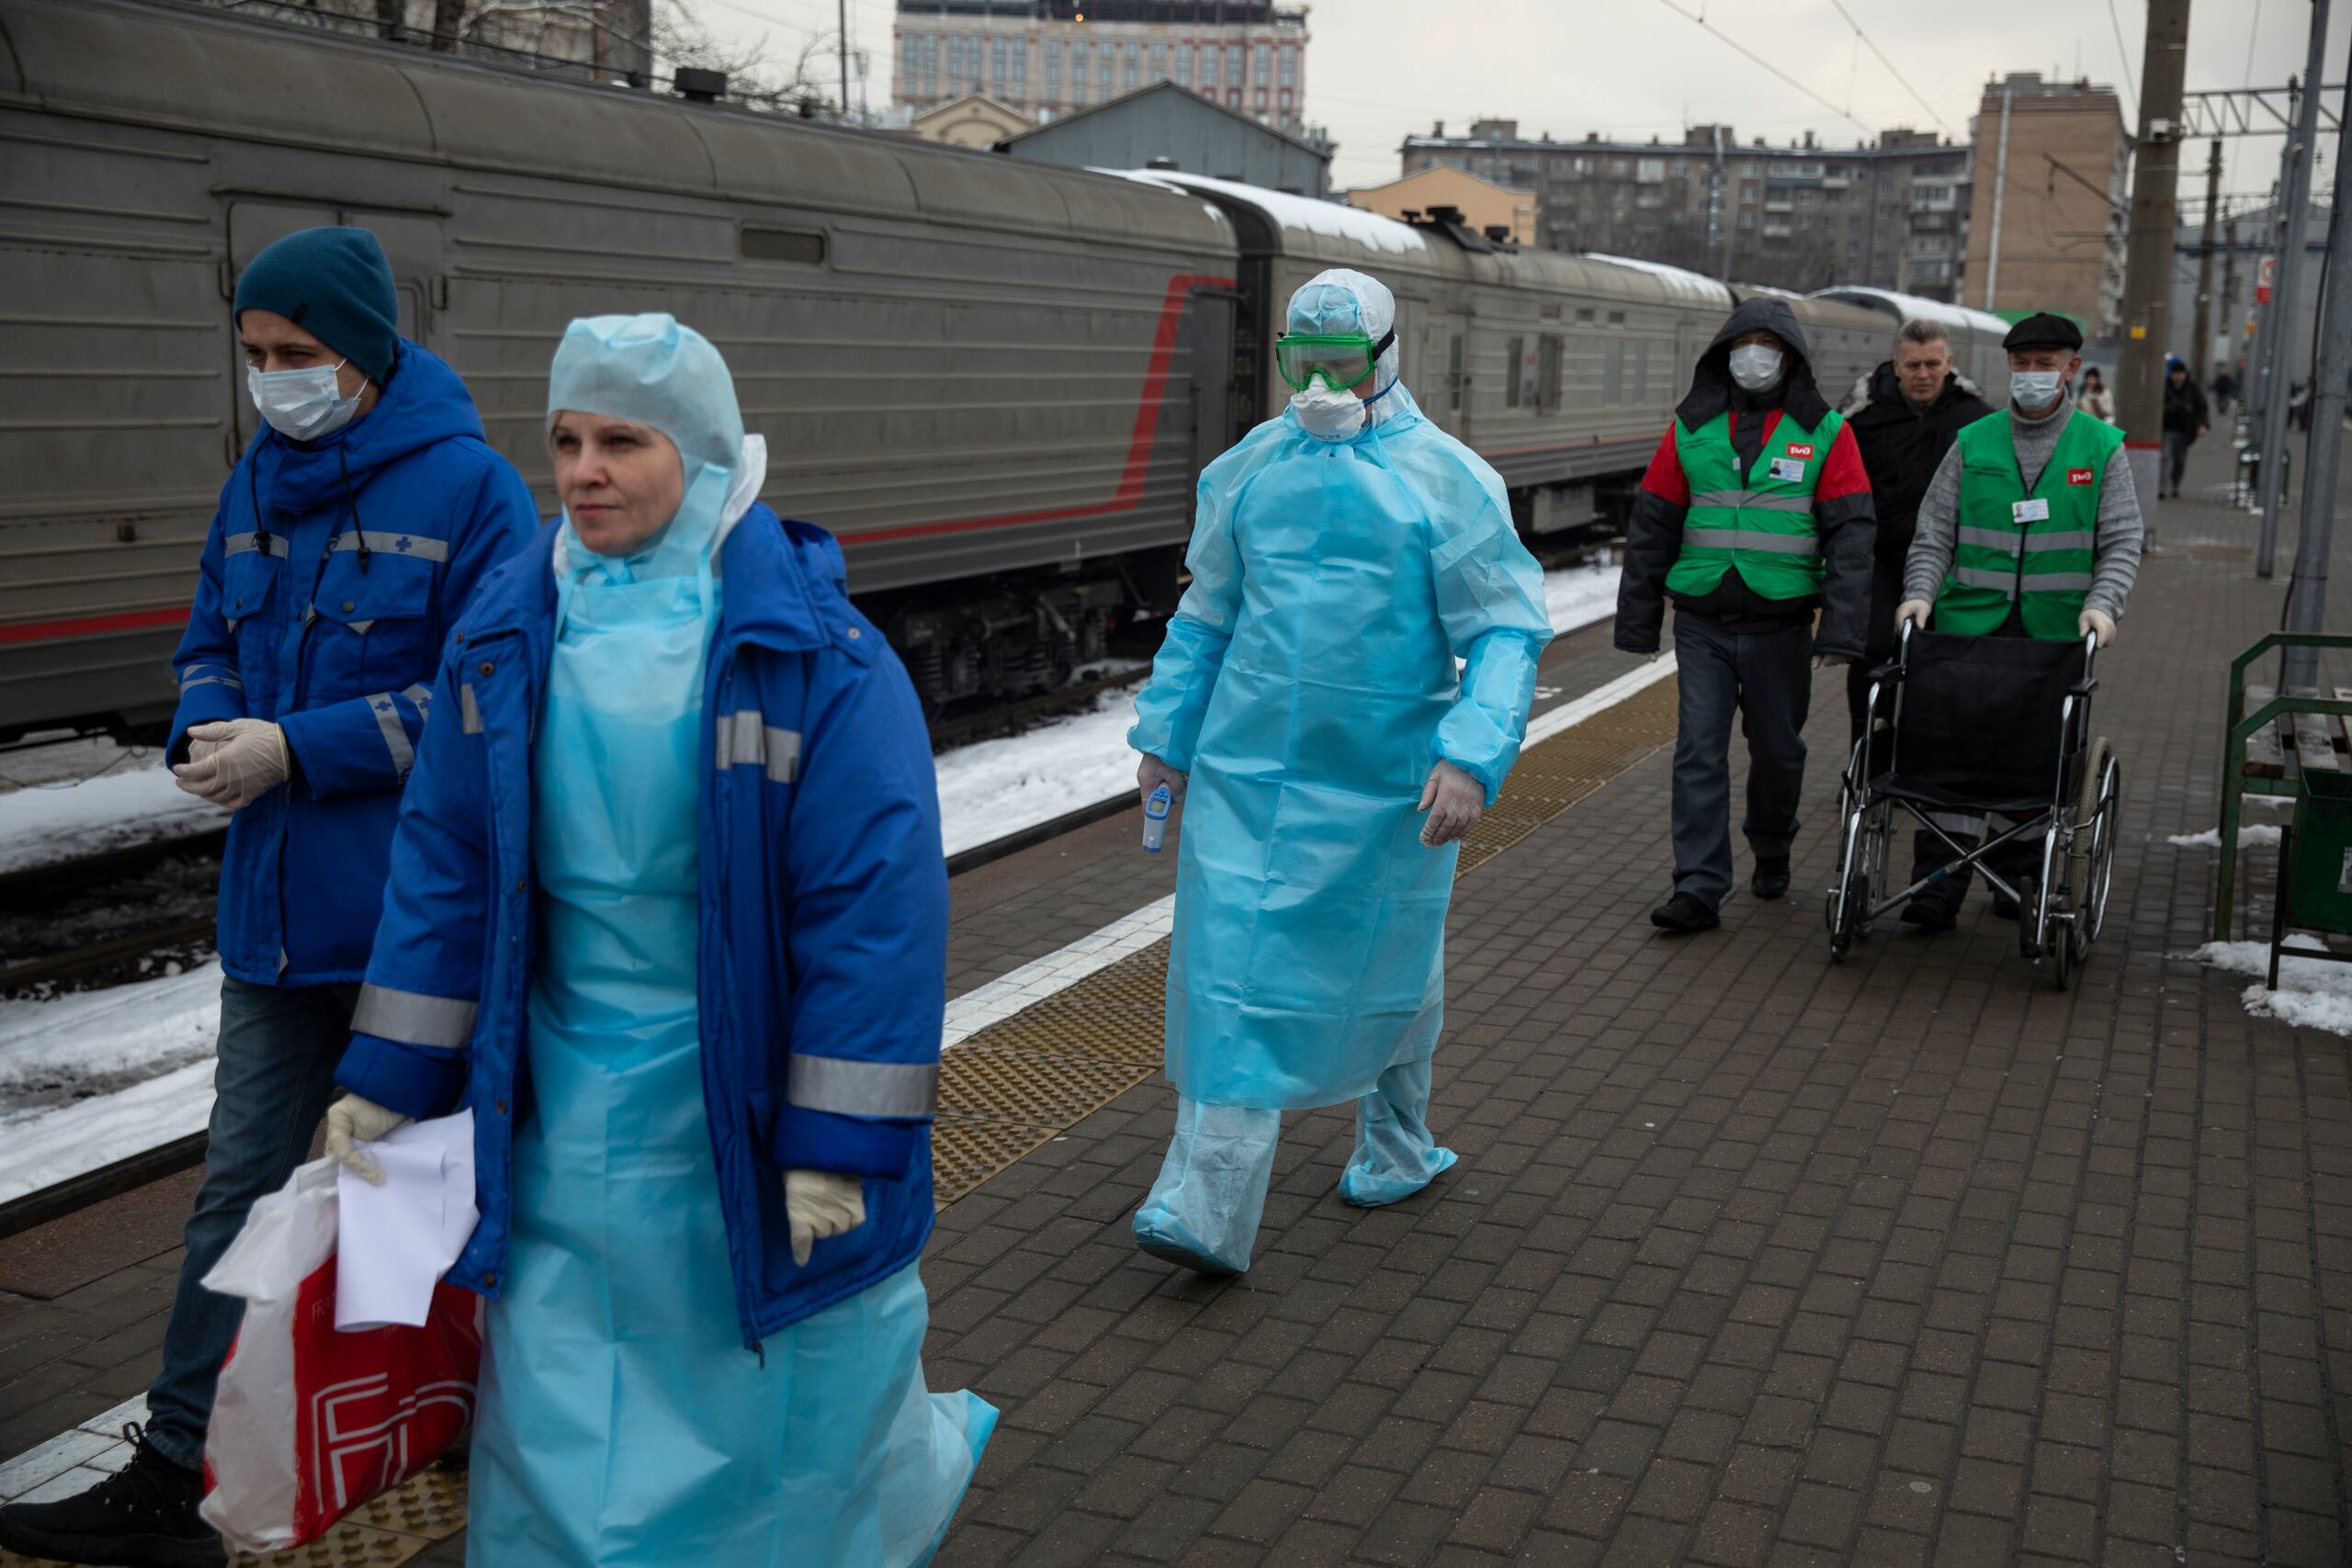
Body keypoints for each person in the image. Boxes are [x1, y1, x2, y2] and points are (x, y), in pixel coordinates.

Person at [319, 315, 993, 1564]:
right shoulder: (507, 635)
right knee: (564, 1368)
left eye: (623, 440)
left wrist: (836, 1136)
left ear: (705, 453)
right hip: (561, 1089)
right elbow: (448, 867)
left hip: (730, 1097)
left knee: (748, 1377)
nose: (584, 469)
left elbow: (873, 908)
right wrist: (387, 1078)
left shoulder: (819, 660)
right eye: (566, 439)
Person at [0, 228, 537, 1568]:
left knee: (409, 1180)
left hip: (413, 921)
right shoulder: (254, 483)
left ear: (360, 350)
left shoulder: (473, 490)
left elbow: (488, 705)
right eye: (256, 357)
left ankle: (426, 1405)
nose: (275, 380)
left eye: (297, 356)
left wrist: (305, 745)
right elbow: (206, 637)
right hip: (273, 918)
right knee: (237, 1186)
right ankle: (174, 1469)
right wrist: (209, 719)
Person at [1125, 268, 1552, 1275]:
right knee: (1230, 970)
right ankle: (1205, 1202)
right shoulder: (1248, 469)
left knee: (1392, 968)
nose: (1318, 380)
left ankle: (1396, 1145)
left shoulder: (1445, 480)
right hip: (1245, 770)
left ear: (1386, 355)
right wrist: (1166, 736)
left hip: (1385, 781)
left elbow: (1504, 624)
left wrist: (1470, 754)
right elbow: (1207, 613)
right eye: (1300, 360)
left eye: (1340, 362)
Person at [1616, 298, 1876, 934]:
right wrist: (1638, 620)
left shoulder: (1826, 431)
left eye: (1767, 343)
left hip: (1782, 623)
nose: (1753, 355)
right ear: (1724, 350)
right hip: (1703, 620)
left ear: (1789, 356)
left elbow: (1852, 533)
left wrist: (1842, 627)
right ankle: (1699, 887)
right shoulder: (1690, 426)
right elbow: (1652, 524)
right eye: (1743, 341)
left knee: (1778, 751)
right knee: (1698, 752)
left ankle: (1771, 841)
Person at [1894, 311, 2143, 930]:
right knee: (1952, 750)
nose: (2033, 374)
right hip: (1966, 628)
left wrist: (2102, 608)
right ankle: (1939, 880)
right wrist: (1919, 595)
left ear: (2071, 368)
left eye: (2046, 363)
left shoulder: (2101, 447)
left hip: (2055, 635)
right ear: (2009, 366)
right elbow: (1933, 534)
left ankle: (2018, 874)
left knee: (2032, 757)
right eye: (2023, 363)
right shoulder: (1973, 442)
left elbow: (2121, 541)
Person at [1839, 319, 1994, 746]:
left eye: (1932, 364)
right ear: (1896, 365)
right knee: (1871, 654)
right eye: (1913, 365)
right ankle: (1866, 758)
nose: (1923, 374)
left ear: (1949, 363)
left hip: (1950, 562)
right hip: (1879, 560)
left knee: (1936, 658)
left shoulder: (1977, 420)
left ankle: (1922, 759)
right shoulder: (1861, 418)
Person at [2160, 355, 2211, 497]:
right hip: (2167, 429)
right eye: (2175, 374)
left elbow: (2201, 408)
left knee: (2179, 460)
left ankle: (2175, 485)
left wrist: (2203, 425)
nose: (2178, 376)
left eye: (2181, 374)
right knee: (2165, 457)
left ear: (2185, 374)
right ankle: (2162, 486)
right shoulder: (2164, 387)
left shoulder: (2192, 389)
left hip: (2184, 431)